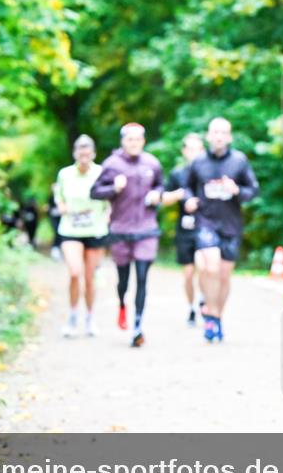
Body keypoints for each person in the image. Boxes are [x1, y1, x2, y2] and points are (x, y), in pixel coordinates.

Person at [182, 117, 259, 342]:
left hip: (231, 225)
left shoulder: (239, 161)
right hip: (205, 221)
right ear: (208, 136)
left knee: (224, 276)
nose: (218, 137)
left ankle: (216, 316)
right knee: (211, 266)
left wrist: (237, 190)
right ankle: (210, 312)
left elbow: (253, 190)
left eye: (223, 133)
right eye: (214, 132)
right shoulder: (198, 162)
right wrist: (188, 199)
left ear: (229, 137)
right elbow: (187, 186)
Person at [90, 123, 164, 347]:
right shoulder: (112, 164)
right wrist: (113, 188)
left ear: (143, 141)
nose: (134, 143)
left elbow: (161, 186)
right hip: (121, 230)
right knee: (123, 280)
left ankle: (138, 326)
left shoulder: (152, 163)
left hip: (146, 228)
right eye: (130, 140)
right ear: (123, 141)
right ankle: (122, 303)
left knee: (142, 277)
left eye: (138, 139)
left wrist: (156, 195)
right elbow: (94, 191)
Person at [54, 135, 109, 338]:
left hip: (95, 231)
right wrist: (61, 206)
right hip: (71, 230)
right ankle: (72, 314)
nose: (84, 156)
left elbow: (109, 199)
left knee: (89, 278)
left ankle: (90, 317)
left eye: (87, 153)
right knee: (75, 272)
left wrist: (108, 216)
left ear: (93, 154)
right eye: (80, 152)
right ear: (75, 153)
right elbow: (59, 197)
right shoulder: (65, 174)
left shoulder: (102, 173)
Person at [161, 133, 206, 325]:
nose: (193, 153)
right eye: (190, 149)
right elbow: (163, 198)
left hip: (205, 227)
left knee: (204, 266)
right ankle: (191, 307)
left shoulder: (209, 172)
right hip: (185, 228)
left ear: (203, 150)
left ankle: (204, 300)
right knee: (188, 274)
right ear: (184, 151)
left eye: (197, 149)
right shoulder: (178, 174)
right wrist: (180, 196)